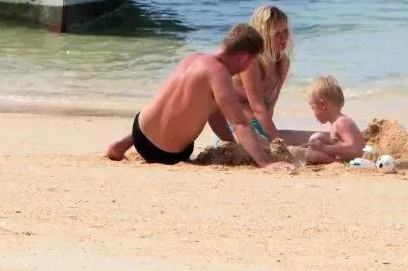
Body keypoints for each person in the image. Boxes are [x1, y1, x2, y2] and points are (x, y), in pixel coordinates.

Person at [106, 23, 291, 169]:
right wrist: (265, 164)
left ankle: (122, 144)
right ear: (243, 57)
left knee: (180, 104)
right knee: (210, 108)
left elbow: (215, 114)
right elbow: (239, 123)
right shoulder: (219, 74)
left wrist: (231, 144)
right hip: (164, 154)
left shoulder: (194, 58)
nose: (246, 69)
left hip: (139, 131)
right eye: (250, 62)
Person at [228, 5, 313, 145]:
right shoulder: (250, 62)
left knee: (319, 139)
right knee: (267, 145)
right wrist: (280, 144)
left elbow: (270, 110)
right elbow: (258, 110)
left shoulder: (283, 63)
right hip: (239, 131)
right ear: (263, 35)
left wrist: (274, 138)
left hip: (264, 129)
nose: (283, 37)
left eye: (285, 31)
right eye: (276, 33)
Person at [304, 76, 365, 165]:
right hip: (347, 158)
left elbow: (353, 147)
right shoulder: (336, 122)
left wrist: (324, 148)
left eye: (313, 108)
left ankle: (335, 162)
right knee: (316, 137)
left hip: (357, 162)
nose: (313, 112)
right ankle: (334, 160)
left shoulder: (341, 122)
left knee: (311, 155)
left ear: (323, 104)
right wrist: (322, 146)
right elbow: (340, 145)